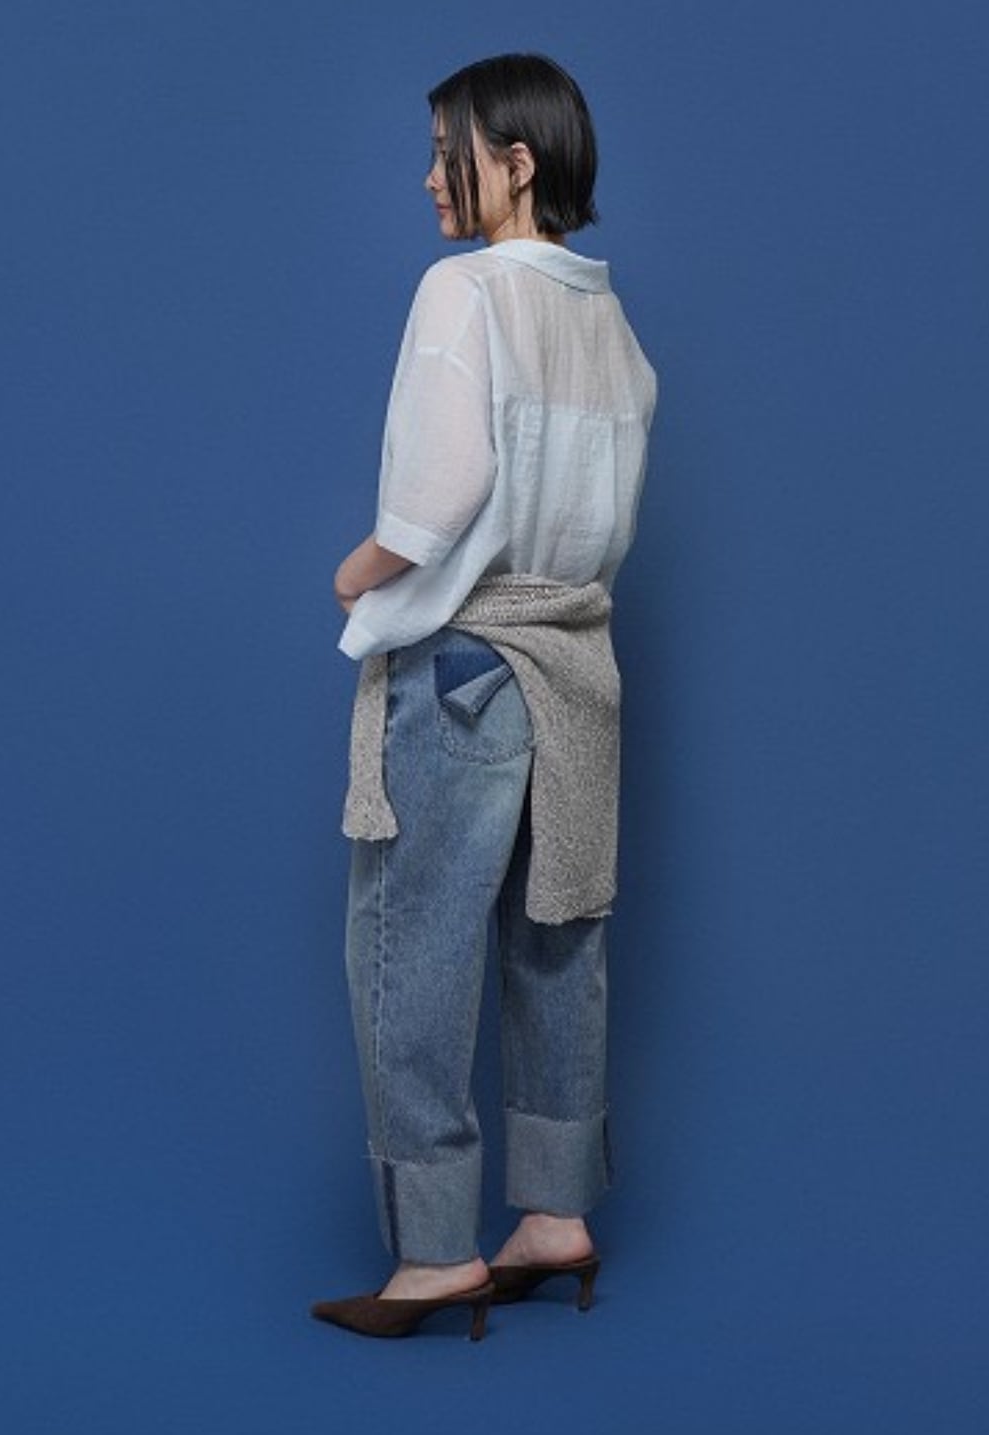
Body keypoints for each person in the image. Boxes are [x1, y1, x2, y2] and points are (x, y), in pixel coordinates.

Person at [311, 53, 657, 1340]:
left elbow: (439, 494)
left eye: (446, 149)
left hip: (466, 660)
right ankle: (556, 1214)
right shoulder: (609, 318)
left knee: (411, 952)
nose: (428, 177)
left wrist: (359, 568)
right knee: (556, 936)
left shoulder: (461, 291)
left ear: (517, 160)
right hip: (577, 662)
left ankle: (435, 1251)